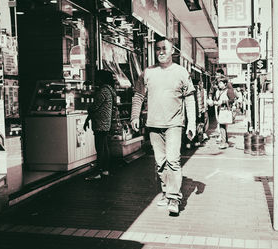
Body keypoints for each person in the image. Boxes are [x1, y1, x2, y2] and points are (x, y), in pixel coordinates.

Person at [130, 36, 196, 215]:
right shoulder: (148, 72)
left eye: (164, 49)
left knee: (173, 160)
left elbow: (190, 98)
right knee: (160, 163)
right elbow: (138, 95)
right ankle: (166, 192)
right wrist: (135, 115)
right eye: (157, 48)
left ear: (172, 51)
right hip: (153, 124)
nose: (160, 52)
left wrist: (192, 123)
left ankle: (174, 197)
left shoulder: (181, 72)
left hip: (175, 123)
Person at [83, 70, 116, 179]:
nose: (96, 80)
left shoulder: (103, 91)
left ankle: (98, 171)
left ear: (102, 79)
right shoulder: (110, 90)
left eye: (97, 77)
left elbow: (94, 106)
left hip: (100, 123)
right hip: (106, 123)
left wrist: (88, 108)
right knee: (104, 147)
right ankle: (105, 170)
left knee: (100, 147)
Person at [213, 76, 235, 149]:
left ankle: (224, 142)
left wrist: (222, 102)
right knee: (222, 126)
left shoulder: (228, 91)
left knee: (222, 126)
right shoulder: (218, 91)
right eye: (219, 83)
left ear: (225, 84)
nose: (219, 84)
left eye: (221, 83)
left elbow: (232, 100)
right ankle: (225, 142)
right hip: (220, 110)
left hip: (225, 110)